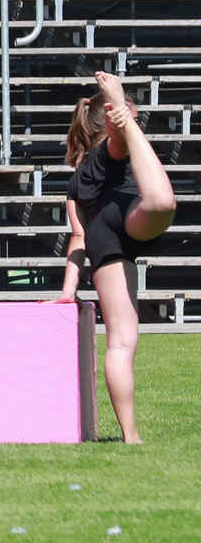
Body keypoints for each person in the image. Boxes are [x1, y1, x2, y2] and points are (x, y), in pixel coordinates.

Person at [56, 72, 179, 444]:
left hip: (103, 237)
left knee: (122, 343)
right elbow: (117, 135)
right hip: (124, 217)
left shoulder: (76, 179)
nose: (136, 123)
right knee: (161, 202)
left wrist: (68, 291)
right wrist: (119, 110)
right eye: (132, 116)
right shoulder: (109, 151)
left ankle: (131, 436)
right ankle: (129, 434)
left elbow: (79, 237)